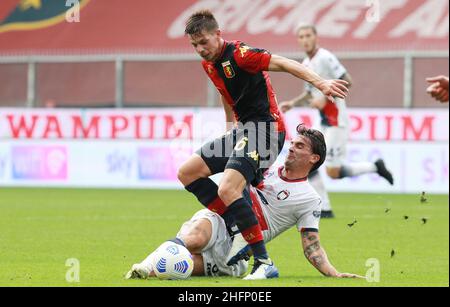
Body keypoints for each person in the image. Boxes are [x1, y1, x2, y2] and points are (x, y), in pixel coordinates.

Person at [176, 11, 349, 279]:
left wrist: (320, 82)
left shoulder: (242, 55)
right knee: (187, 172)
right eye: (194, 45)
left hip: (267, 129)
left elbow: (285, 63)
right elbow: (227, 94)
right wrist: (229, 128)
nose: (200, 49)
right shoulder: (209, 64)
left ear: (218, 34)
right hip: (244, 130)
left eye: (204, 42)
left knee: (228, 187)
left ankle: (264, 262)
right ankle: (236, 224)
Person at [126, 125, 363, 280]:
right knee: (195, 238)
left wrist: (334, 274)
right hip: (219, 221)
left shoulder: (310, 199)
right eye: (292, 143)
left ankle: (152, 270)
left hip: (236, 254)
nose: (290, 148)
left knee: (181, 268)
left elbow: (311, 245)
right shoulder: (265, 165)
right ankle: (143, 266)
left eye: (299, 146)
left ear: (314, 158)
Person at [279, 24, 394, 218]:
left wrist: (325, 97)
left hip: (336, 121)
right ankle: (325, 206)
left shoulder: (325, 57)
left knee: (328, 168)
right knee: (311, 159)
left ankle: (372, 169)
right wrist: (293, 103)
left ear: (316, 37)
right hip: (322, 120)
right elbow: (310, 92)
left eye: (308, 35)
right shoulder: (307, 62)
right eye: (301, 36)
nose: (305, 39)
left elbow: (347, 80)